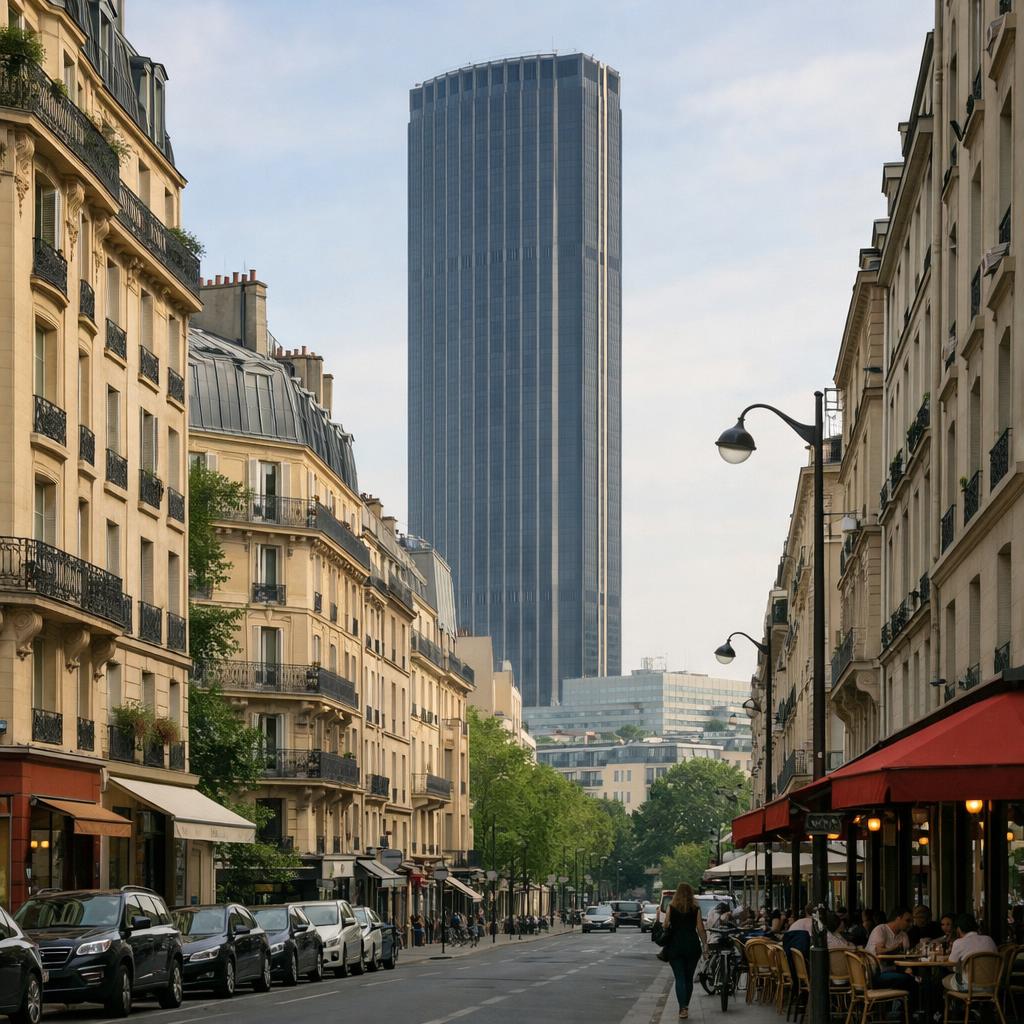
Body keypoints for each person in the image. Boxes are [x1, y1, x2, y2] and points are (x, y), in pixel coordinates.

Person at [659, 883, 708, 1020]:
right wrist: (705, 944)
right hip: (692, 946)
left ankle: (682, 1008)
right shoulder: (695, 908)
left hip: (675, 946)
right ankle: (685, 1005)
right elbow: (700, 928)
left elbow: (665, 924)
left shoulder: (671, 907)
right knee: (688, 978)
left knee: (679, 978)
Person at [943, 913, 998, 992]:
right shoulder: (989, 939)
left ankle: (957, 1003)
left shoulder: (959, 942)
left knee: (944, 979)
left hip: (968, 986)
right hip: (992, 985)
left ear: (958, 929)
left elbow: (951, 964)